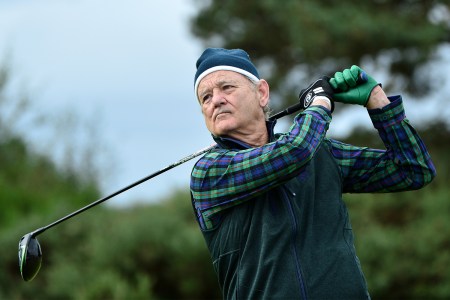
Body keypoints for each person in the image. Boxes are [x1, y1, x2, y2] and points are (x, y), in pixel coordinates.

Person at [189, 48, 436, 299]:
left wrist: (378, 101)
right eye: (205, 97)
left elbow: (413, 170)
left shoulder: (321, 152)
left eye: (227, 88)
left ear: (262, 93)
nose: (216, 100)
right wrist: (320, 103)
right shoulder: (209, 173)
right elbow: (293, 153)